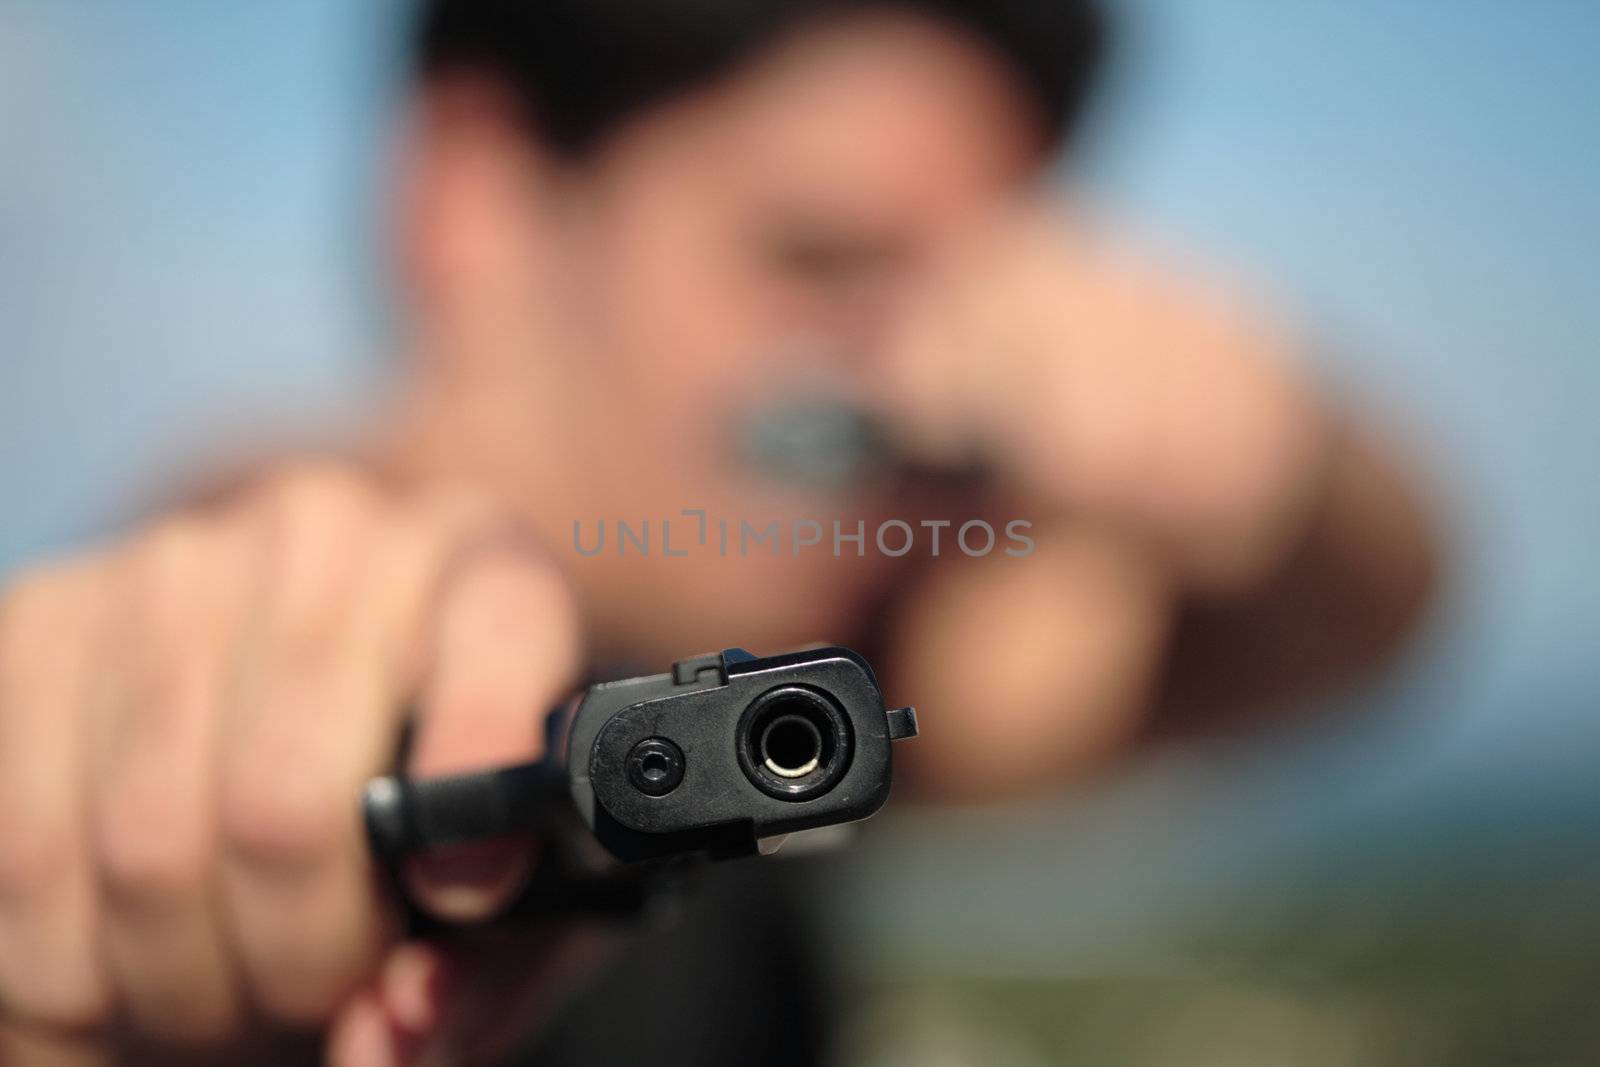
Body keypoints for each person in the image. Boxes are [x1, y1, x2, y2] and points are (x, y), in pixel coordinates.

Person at [0, 1, 1438, 1063]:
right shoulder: (225, 669)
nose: (916, 397)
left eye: (973, 307)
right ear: (478, 200)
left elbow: (1339, 636)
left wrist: (1275, 448)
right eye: (822, 263)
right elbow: (235, 614)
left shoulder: (792, 688)